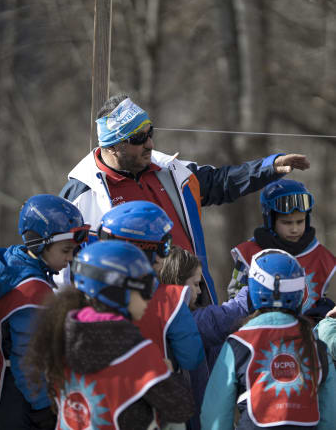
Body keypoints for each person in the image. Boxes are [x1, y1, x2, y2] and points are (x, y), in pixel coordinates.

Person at [60, 93, 311, 304]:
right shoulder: (82, 196)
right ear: (112, 146)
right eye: (138, 138)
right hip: (136, 313)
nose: (149, 143)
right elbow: (63, 274)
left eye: (150, 133)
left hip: (193, 299)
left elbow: (220, 182)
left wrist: (270, 167)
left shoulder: (171, 171)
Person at [25, 240, 195, 430]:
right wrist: (169, 375)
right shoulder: (138, 352)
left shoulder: (59, 337)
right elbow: (181, 409)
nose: (149, 296)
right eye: (145, 287)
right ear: (118, 293)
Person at [0, 194, 89, 430]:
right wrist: (43, 407)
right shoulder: (32, 292)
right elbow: (27, 360)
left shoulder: (9, 264)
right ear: (40, 243)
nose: (70, 258)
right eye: (66, 250)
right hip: (19, 395)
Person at [201, 249, 336, 430]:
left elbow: (215, 412)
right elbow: (330, 411)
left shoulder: (238, 343)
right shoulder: (316, 345)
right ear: (299, 292)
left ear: (255, 290)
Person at [97, 201, 204, 372]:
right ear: (144, 249)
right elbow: (192, 358)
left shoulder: (87, 292)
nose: (167, 254)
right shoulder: (170, 299)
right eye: (165, 246)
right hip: (154, 391)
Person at [159, 246, 249, 430]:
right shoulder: (185, 322)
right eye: (195, 284)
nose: (200, 291)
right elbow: (224, 317)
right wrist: (257, 288)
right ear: (179, 284)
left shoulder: (182, 317)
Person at [227, 179, 335, 319]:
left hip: (306, 334)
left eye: (300, 221)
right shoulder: (249, 253)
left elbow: (318, 295)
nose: (295, 229)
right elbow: (234, 296)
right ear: (270, 220)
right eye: (286, 222)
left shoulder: (319, 255)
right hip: (261, 330)